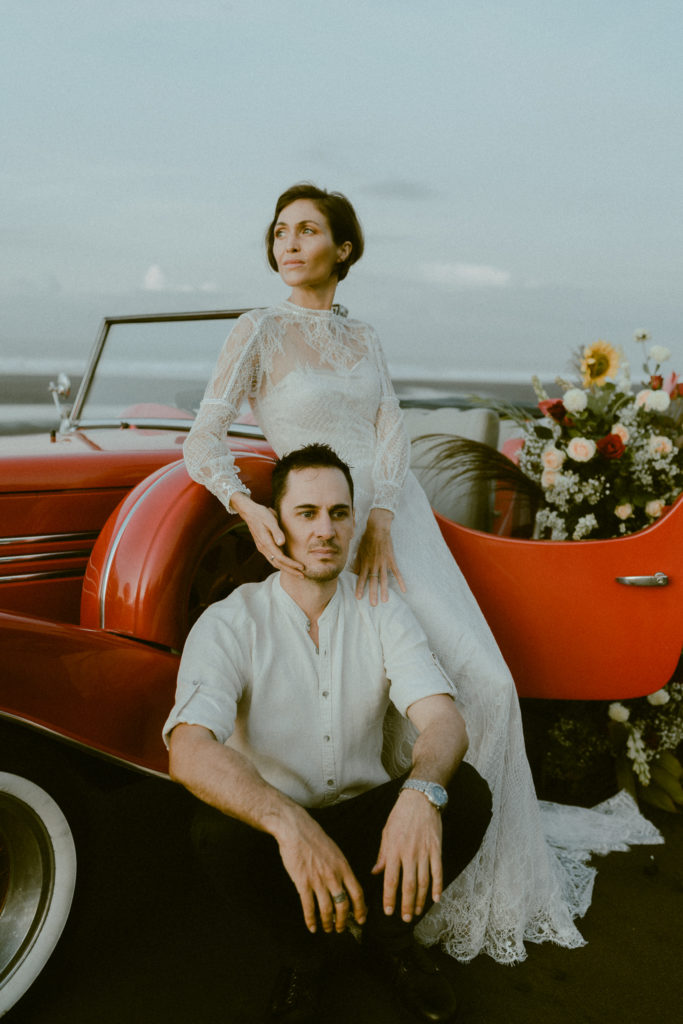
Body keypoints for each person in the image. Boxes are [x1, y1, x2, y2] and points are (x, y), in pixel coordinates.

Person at [183, 183, 660, 964]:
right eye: (279, 232)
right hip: (320, 523)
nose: (289, 243)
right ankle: (377, 863)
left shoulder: (363, 335)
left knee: (485, 685)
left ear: (344, 249)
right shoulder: (257, 329)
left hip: (395, 525)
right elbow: (203, 440)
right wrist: (248, 507)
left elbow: (390, 432)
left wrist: (378, 520)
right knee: (374, 683)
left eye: (308, 230)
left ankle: (473, 874)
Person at [164, 444, 493, 1023]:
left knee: (464, 793)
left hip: (364, 820)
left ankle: (389, 940)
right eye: (307, 513)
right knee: (216, 833)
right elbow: (189, 751)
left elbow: (442, 719)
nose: (326, 529)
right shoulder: (230, 621)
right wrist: (290, 826)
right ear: (276, 524)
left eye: (339, 513)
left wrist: (422, 793)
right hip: (278, 837)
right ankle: (305, 956)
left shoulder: (383, 609)